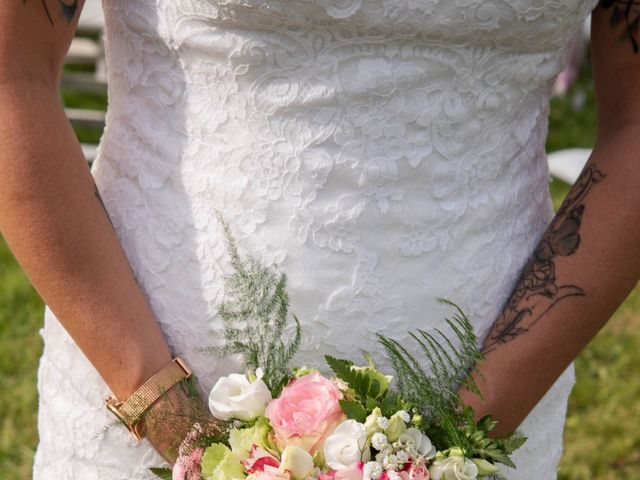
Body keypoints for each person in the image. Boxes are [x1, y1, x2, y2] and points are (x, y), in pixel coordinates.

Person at [0, 0, 638, 478]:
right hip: (140, 398)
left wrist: (447, 453)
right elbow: (11, 74)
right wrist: (184, 436)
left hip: (495, 403)